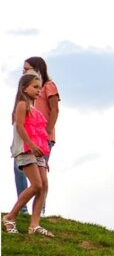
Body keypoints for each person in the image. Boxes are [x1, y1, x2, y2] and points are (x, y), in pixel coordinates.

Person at [3, 73, 54, 237]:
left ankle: (34, 224)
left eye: (40, 87)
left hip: (37, 152)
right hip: (25, 149)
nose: (38, 91)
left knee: (43, 186)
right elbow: (20, 127)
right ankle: (10, 217)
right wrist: (31, 145)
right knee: (36, 185)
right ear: (24, 88)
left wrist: (44, 157)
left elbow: (39, 134)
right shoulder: (22, 104)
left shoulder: (35, 110)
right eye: (35, 87)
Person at [14, 56, 60, 215]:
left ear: (37, 69)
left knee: (40, 178)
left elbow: (55, 110)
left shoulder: (48, 86)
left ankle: (40, 211)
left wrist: (47, 133)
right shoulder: (25, 95)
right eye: (24, 69)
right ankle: (23, 210)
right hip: (28, 137)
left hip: (42, 138)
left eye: (27, 69)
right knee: (20, 170)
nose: (24, 71)